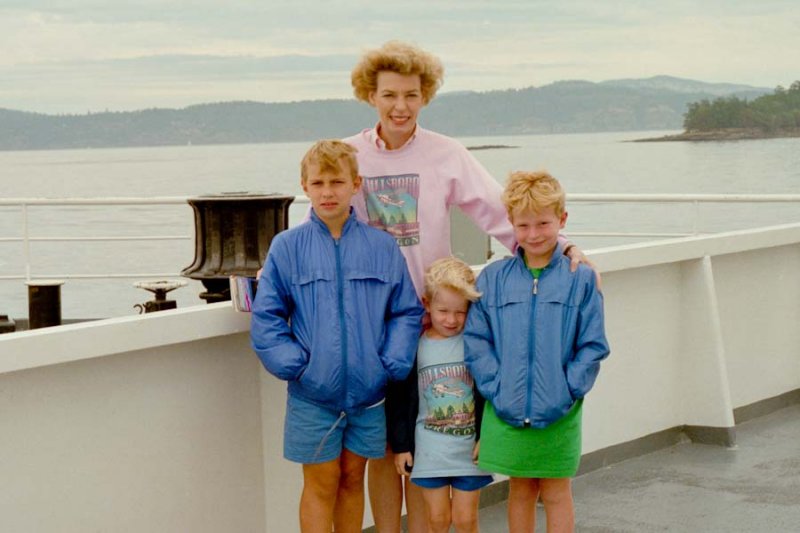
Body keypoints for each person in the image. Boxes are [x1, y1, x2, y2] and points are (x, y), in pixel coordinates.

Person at [346, 40, 594, 533]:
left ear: (426, 95)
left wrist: (564, 247)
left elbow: (503, 216)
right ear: (370, 94)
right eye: (390, 94)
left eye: (412, 95)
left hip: (435, 320)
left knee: (426, 446)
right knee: (386, 446)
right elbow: (327, 225)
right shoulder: (352, 156)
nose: (401, 106)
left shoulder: (446, 154)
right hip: (374, 325)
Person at [250, 139, 424, 533]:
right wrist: (298, 366)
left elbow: (405, 310)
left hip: (367, 395)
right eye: (318, 183)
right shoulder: (287, 247)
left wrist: (389, 365)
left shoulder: (381, 246)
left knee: (351, 479)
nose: (328, 191)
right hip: (313, 395)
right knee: (321, 483)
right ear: (305, 186)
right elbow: (267, 317)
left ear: (356, 184)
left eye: (337, 182)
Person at [464, 170, 610, 533]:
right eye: (523, 225)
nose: (533, 234)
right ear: (510, 223)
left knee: (557, 491)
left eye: (544, 223)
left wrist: (568, 389)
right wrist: (495, 386)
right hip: (506, 405)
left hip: (560, 409)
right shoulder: (493, 279)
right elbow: (478, 340)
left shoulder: (581, 279)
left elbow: (592, 345)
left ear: (562, 220)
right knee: (520, 490)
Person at [389, 257, 493, 533]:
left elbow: (489, 391)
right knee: (436, 521)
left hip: (470, 453)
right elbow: (400, 400)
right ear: (427, 304)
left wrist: (487, 437)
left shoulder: (475, 344)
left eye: (460, 312)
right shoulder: (415, 347)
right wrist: (401, 447)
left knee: (466, 520)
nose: (451, 319)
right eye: (443, 310)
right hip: (429, 452)